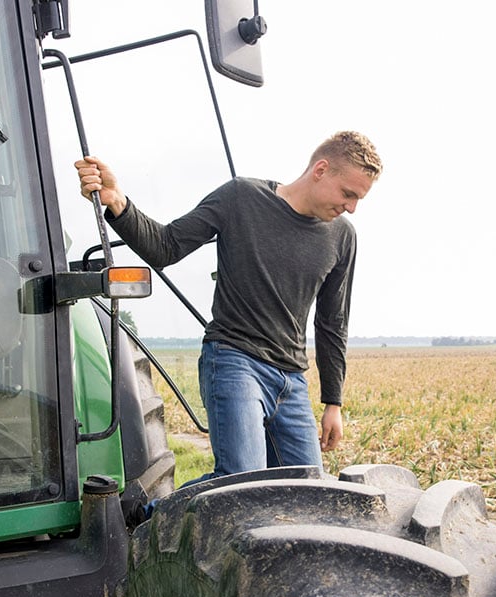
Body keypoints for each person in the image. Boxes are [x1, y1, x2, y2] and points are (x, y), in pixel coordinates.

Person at [76, 131, 382, 480]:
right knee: (242, 480)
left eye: (359, 199)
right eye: (348, 194)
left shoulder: (342, 237)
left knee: (308, 489)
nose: (352, 207)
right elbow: (166, 246)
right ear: (321, 169)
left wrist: (333, 402)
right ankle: (151, 520)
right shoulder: (242, 198)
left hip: (291, 381)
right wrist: (118, 202)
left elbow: (332, 323)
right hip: (235, 362)